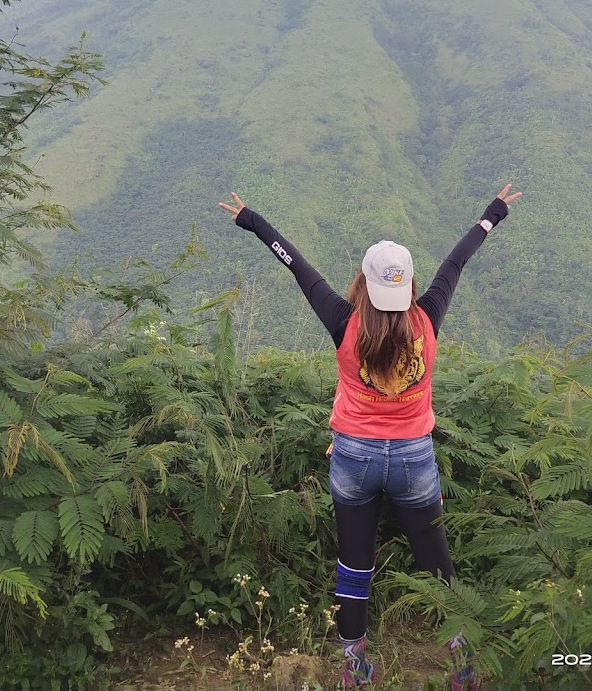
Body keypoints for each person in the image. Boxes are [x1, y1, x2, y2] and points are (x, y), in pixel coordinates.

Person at [219, 184, 521, 689]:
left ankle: (355, 673)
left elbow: (296, 264)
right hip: (413, 461)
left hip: (353, 457)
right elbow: (458, 260)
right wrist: (494, 213)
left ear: (362, 282)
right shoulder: (428, 317)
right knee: (438, 569)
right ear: (408, 286)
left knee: (354, 566)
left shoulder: (343, 322)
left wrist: (252, 219)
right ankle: (464, 670)